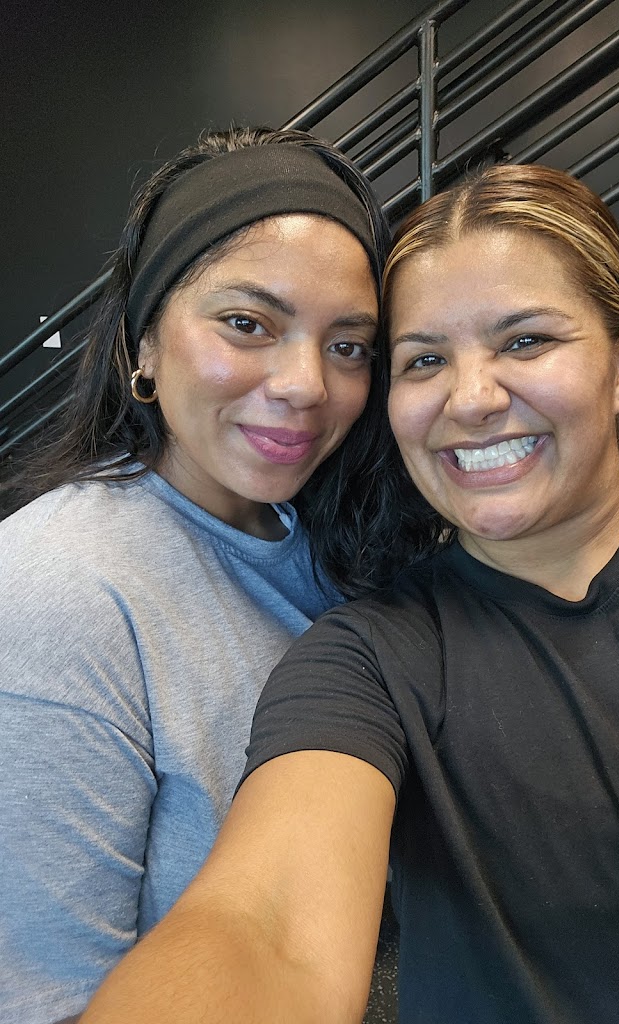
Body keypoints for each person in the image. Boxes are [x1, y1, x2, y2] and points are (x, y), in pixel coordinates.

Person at [81, 164, 619, 1024]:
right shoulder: (368, 656)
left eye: (525, 342)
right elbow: (270, 933)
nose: (471, 399)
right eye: (425, 360)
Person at [0, 125, 396, 1024]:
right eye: (248, 324)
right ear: (143, 343)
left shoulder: (333, 542)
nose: (306, 385)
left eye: (348, 345)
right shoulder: (54, 594)